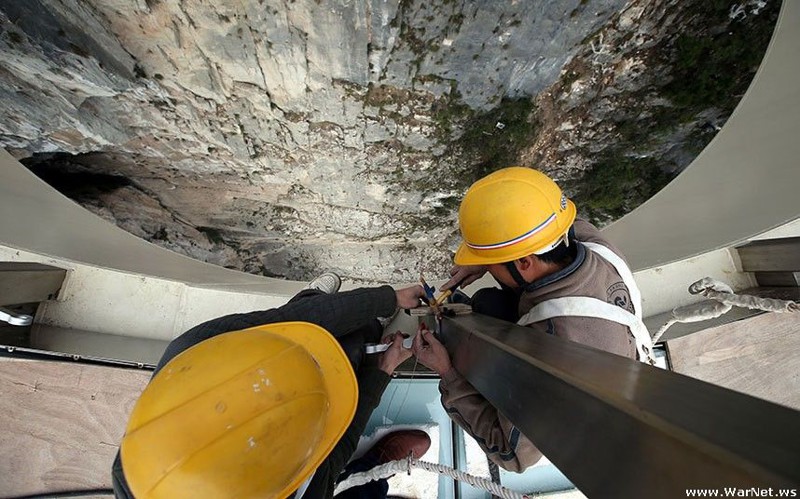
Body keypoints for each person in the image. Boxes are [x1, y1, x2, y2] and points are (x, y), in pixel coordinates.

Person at [412, 166, 655, 473]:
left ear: (524, 262)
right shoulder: (581, 238)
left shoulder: (555, 356)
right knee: (490, 301)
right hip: (601, 338)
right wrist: (490, 261)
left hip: (580, 386)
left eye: (490, 261)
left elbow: (513, 456)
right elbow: (525, 226)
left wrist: (447, 372)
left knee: (486, 312)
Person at [112, 272, 427, 498]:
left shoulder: (191, 351)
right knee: (360, 341)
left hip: (278, 337)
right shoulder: (307, 490)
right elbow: (335, 455)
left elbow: (291, 319)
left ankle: (315, 295)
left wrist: (387, 299)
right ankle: (365, 330)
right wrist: (380, 371)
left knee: (310, 312)